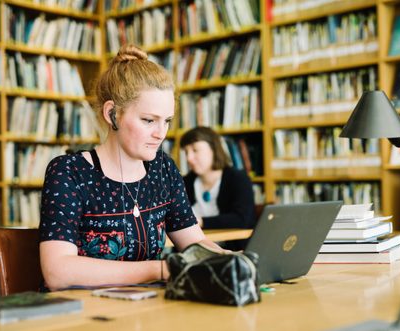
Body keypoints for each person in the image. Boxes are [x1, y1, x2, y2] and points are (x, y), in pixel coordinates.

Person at [39, 45, 223, 291]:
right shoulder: (69, 172)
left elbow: (195, 242)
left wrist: (228, 259)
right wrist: (157, 269)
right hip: (86, 318)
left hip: (149, 312)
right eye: (148, 120)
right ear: (112, 114)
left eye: (166, 121)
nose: (161, 134)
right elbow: (58, 272)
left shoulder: (163, 168)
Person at [179, 126, 256, 230]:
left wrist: (201, 222)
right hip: (192, 246)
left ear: (213, 149)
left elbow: (242, 219)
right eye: (186, 152)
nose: (189, 158)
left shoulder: (238, 179)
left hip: (229, 245)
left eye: (195, 150)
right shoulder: (183, 183)